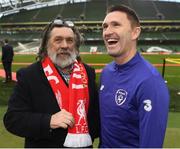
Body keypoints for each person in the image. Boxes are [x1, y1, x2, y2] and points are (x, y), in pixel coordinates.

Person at [3, 17, 99, 148]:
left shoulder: (88, 73)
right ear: (46, 45)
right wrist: (48, 121)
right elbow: (12, 119)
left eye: (70, 40)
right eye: (58, 40)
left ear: (76, 46)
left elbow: (95, 116)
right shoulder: (29, 75)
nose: (65, 45)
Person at [99, 5, 169, 148]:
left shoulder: (150, 82)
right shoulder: (106, 72)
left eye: (116, 25)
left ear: (134, 33)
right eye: (105, 27)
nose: (107, 32)